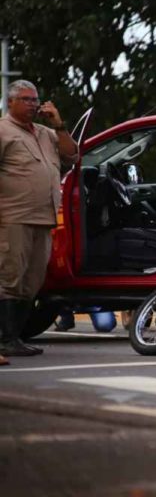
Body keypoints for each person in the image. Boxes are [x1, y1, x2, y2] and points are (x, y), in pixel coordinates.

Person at [0, 80, 79, 357]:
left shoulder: (46, 133)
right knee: (10, 278)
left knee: (32, 281)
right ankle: (5, 339)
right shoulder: (3, 130)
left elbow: (72, 155)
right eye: (26, 99)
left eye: (35, 99)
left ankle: (14, 338)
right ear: (10, 102)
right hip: (12, 217)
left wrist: (59, 124)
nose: (33, 104)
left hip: (44, 218)